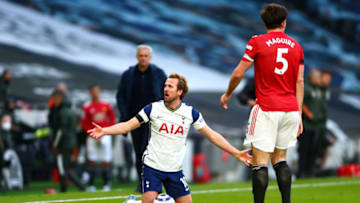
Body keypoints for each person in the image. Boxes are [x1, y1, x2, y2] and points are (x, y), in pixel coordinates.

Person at [89, 73, 252, 203]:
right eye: (165, 85)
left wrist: (236, 153)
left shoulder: (190, 114)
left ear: (179, 92)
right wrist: (105, 131)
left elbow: (212, 135)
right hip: (152, 167)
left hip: (175, 171)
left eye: (170, 86)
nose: (165, 88)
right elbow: (127, 125)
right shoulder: (153, 109)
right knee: (149, 200)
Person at [220, 3, 304, 203]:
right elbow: (300, 81)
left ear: (265, 22)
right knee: (280, 159)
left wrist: (227, 94)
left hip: (267, 107)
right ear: (284, 23)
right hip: (290, 109)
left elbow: (239, 72)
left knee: (260, 163)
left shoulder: (257, 42)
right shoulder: (296, 45)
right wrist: (298, 114)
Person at [116, 44, 167, 190]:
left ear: (150, 57)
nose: (143, 58)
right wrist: (124, 114)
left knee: (151, 151)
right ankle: (143, 181)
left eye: (146, 56)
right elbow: (120, 95)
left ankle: (154, 181)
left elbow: (168, 92)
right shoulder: (129, 74)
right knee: (139, 151)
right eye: (141, 56)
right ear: (137, 57)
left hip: (153, 118)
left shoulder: (158, 74)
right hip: (134, 119)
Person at [82, 84, 116, 192]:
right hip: (92, 136)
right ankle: (91, 185)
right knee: (92, 160)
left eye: (97, 91)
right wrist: (93, 134)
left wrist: (104, 131)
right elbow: (84, 123)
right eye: (93, 91)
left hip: (105, 135)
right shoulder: (87, 107)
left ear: (99, 92)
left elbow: (112, 120)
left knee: (106, 160)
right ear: (90, 93)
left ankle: (106, 184)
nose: (95, 93)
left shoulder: (106, 105)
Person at [52, 90, 85, 193]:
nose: (54, 101)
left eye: (55, 99)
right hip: (71, 142)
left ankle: (65, 189)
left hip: (63, 143)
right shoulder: (71, 110)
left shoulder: (62, 112)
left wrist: (55, 144)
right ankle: (80, 186)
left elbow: (60, 130)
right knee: (66, 166)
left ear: (60, 98)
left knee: (62, 167)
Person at [297, 68, 323, 178]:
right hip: (306, 124)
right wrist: (307, 113)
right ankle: (301, 172)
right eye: (318, 77)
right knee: (304, 149)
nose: (319, 79)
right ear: (312, 77)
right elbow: (300, 101)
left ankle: (309, 172)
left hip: (316, 125)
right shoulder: (306, 88)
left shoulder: (318, 89)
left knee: (313, 149)